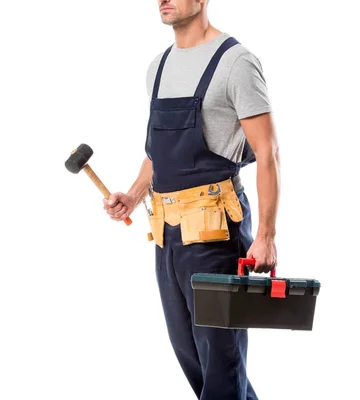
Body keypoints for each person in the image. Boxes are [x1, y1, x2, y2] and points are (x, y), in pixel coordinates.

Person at [103, 1, 280, 399]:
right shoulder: (159, 67)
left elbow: (267, 153)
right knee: (193, 358)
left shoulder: (235, 62)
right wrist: (132, 196)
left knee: (221, 359)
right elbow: (157, 151)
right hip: (166, 232)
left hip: (215, 231)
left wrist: (266, 234)